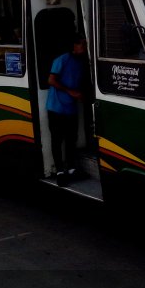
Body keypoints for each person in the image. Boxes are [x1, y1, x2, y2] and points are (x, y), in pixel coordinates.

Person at [46, 33, 88, 185]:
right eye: (82, 44)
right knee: (57, 140)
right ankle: (59, 171)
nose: (85, 47)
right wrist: (70, 91)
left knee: (71, 139)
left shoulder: (83, 62)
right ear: (74, 46)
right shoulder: (62, 59)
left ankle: (70, 168)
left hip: (71, 107)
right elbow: (51, 80)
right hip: (56, 106)